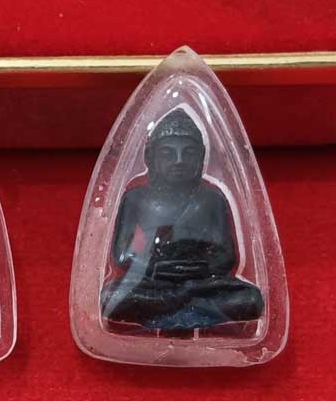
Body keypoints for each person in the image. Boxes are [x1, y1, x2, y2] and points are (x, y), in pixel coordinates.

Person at [100, 109, 263, 330]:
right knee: (110, 297)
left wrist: (200, 269)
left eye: (188, 153)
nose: (179, 161)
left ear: (201, 157)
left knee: (251, 299)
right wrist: (154, 266)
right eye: (168, 154)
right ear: (150, 157)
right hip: (153, 283)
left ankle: (174, 303)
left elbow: (226, 255)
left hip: (201, 282)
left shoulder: (212, 200)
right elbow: (123, 255)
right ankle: (186, 304)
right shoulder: (135, 199)